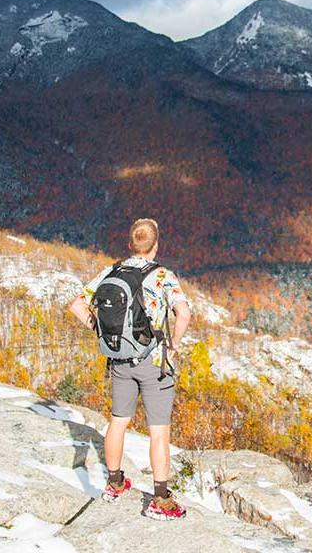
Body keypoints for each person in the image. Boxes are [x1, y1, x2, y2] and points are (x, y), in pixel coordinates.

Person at [68, 218, 192, 520]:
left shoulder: (112, 271)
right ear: (156, 245)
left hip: (119, 360)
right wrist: (173, 342)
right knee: (159, 432)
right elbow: (184, 313)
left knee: (118, 421)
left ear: (130, 244)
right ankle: (160, 499)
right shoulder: (162, 275)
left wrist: (100, 330)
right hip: (154, 363)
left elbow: (76, 304)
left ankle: (114, 483)